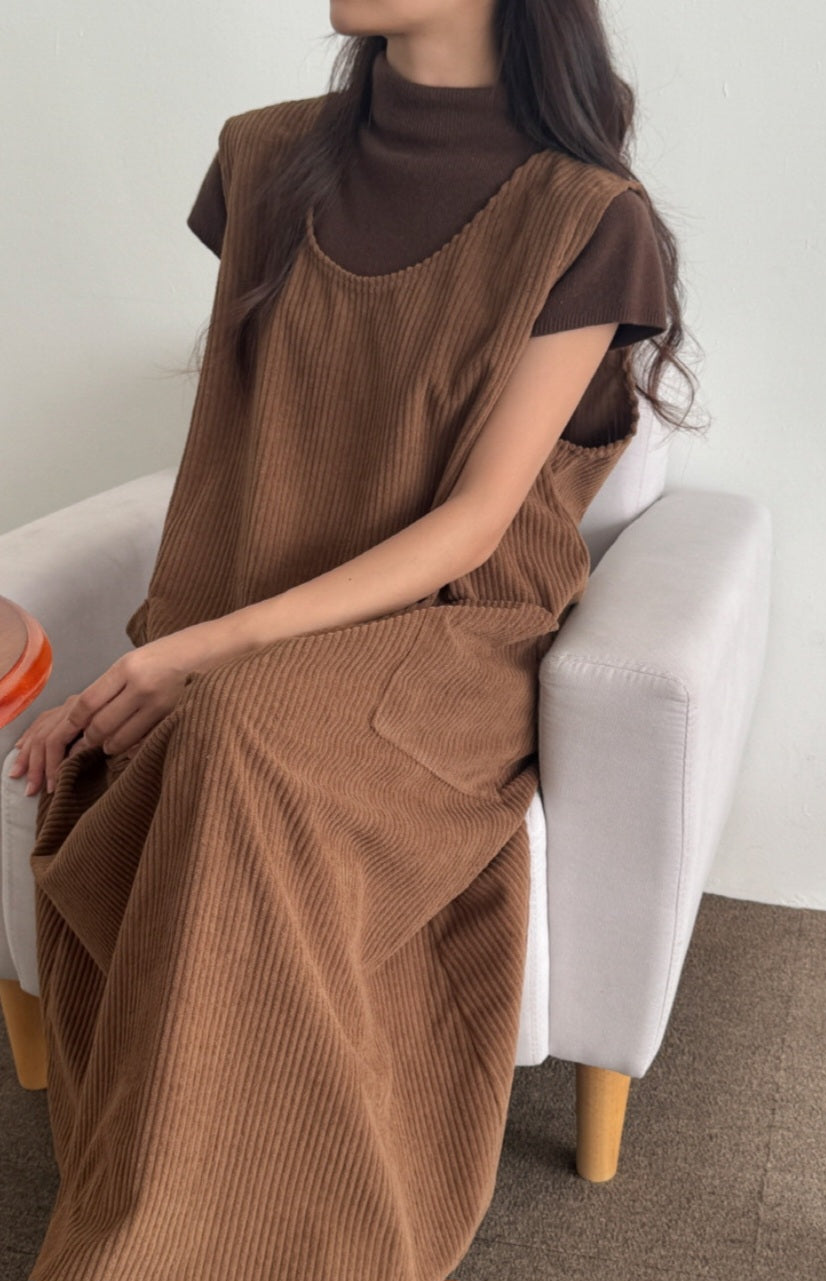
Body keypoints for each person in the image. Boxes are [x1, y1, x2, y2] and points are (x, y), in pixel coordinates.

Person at [12, 2, 702, 1278]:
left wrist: (200, 656)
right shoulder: (263, 160)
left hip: (449, 643)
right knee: (178, 755)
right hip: (251, 600)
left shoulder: (584, 217)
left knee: (237, 739)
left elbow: (474, 525)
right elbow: (245, 447)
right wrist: (184, 640)